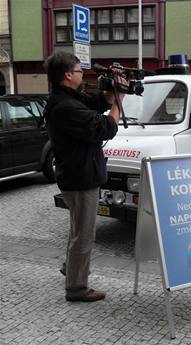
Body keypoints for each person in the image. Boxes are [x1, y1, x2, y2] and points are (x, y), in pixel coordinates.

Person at [43, 52, 128, 302]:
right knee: (85, 234)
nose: (83, 75)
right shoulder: (65, 106)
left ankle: (70, 268)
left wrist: (110, 92)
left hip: (77, 175)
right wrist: (119, 100)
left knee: (77, 230)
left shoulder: (68, 98)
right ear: (68, 75)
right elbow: (105, 128)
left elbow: (93, 102)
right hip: (80, 180)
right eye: (80, 71)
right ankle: (77, 288)